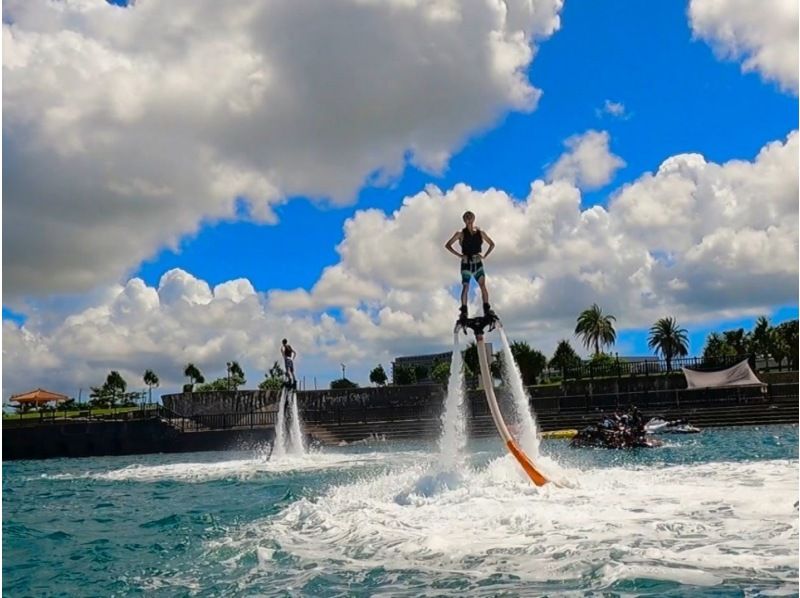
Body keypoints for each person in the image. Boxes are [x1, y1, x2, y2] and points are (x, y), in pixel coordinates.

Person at [445, 210, 496, 323]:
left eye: (470, 217)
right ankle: (464, 311)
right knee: (466, 286)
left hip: (477, 261)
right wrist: (460, 255)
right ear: (464, 220)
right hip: (466, 262)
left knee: (482, 285)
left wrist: (484, 256)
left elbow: (492, 244)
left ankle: (487, 308)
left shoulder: (480, 232)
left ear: (473, 218)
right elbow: (448, 245)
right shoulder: (460, 233)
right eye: (466, 218)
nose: (468, 220)